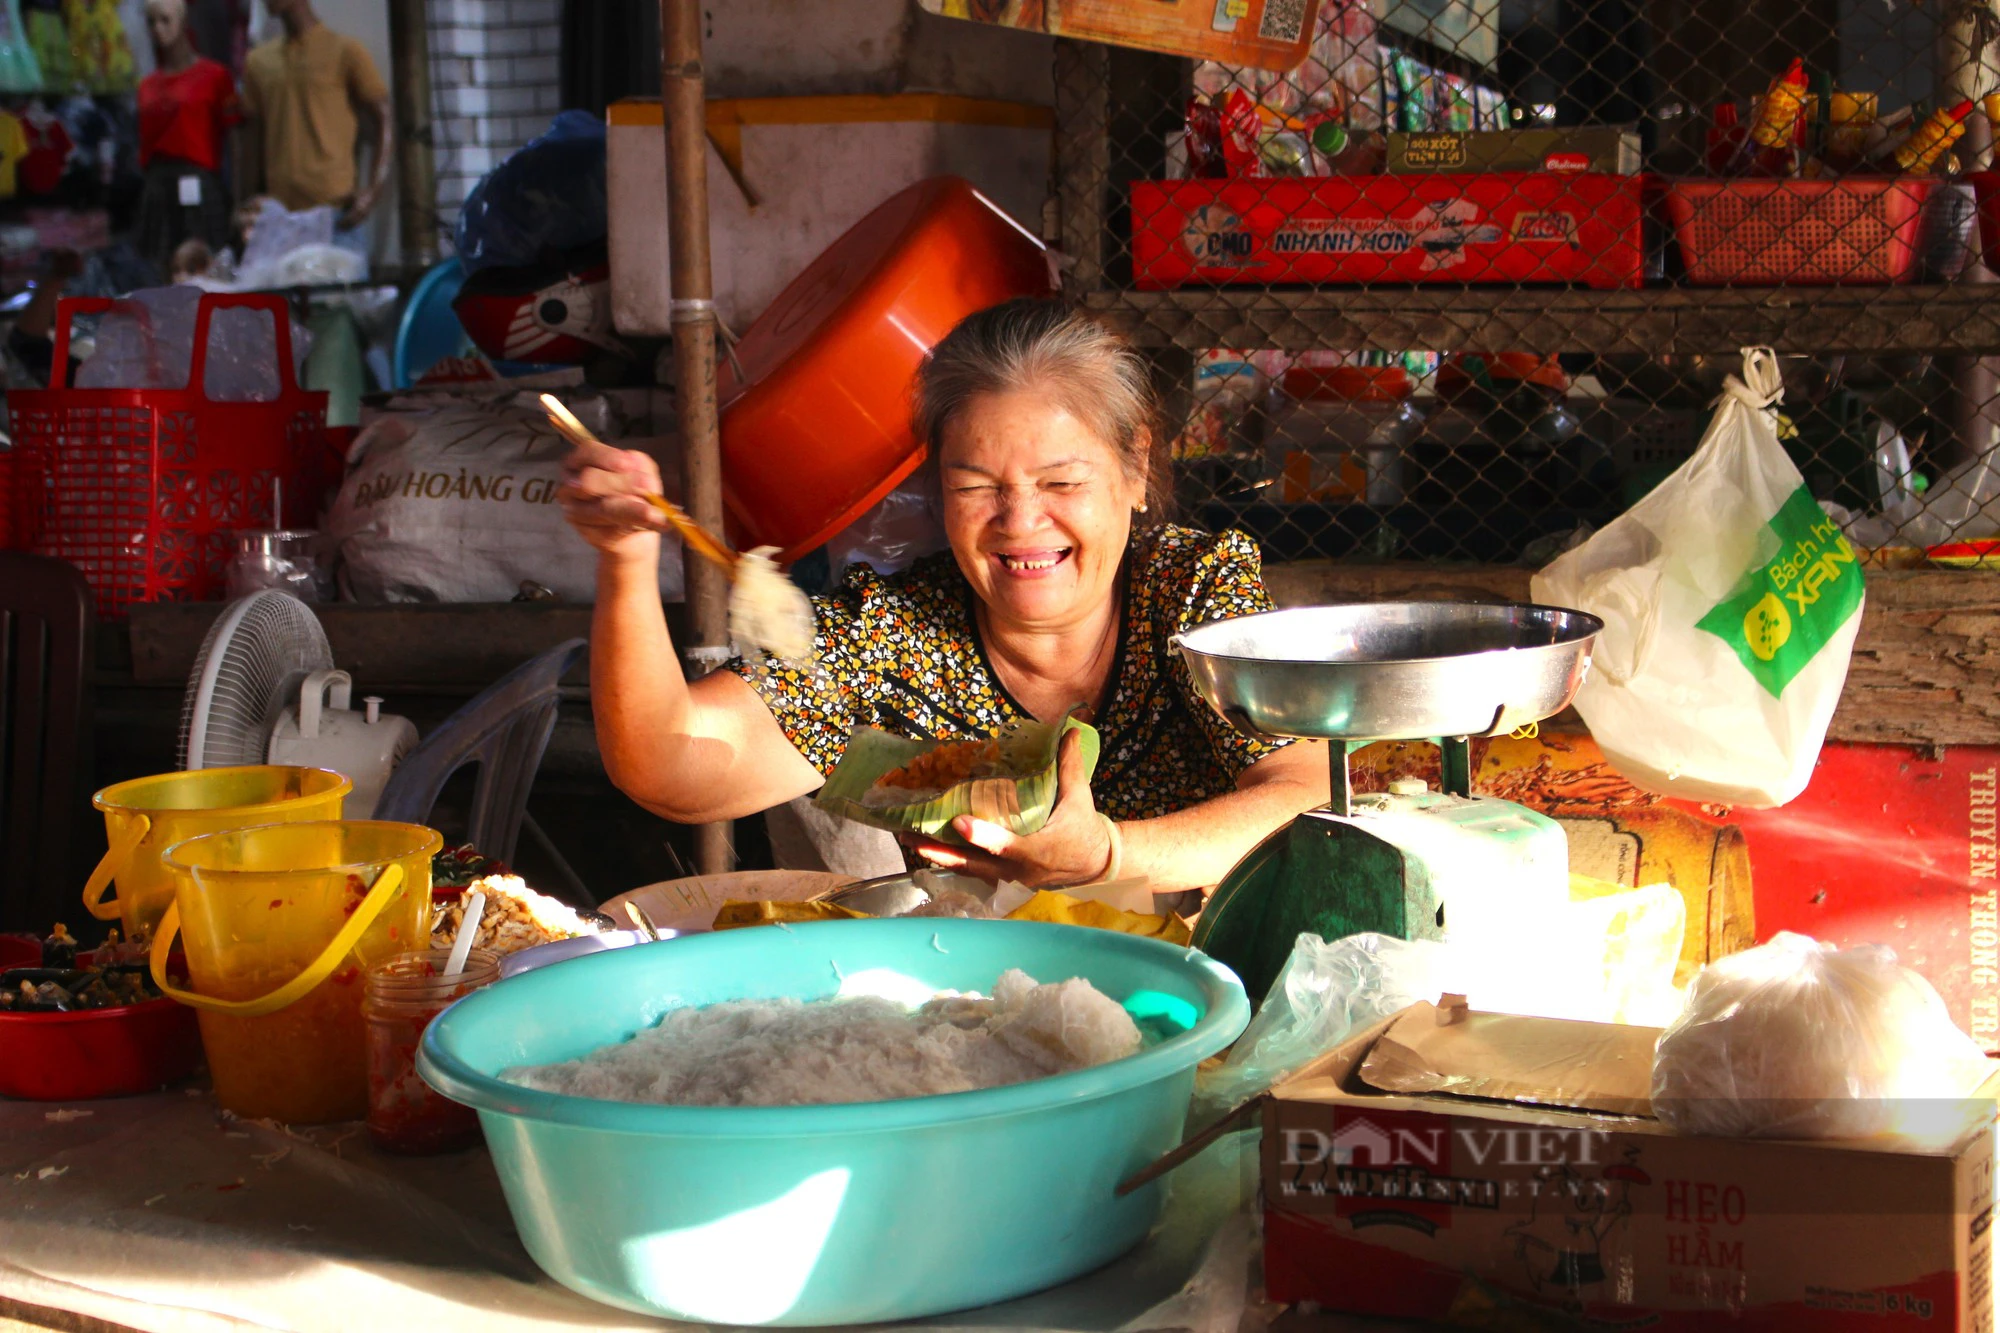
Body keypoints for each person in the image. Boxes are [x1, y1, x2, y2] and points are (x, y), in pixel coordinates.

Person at [561, 298, 1330, 891]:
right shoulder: (893, 636)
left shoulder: (1192, 594)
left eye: (1061, 482)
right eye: (976, 486)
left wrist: (1108, 854)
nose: (1021, 523)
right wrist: (626, 562)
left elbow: (1304, 795)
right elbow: (670, 765)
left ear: (1134, 470)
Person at [236, 0, 389, 234]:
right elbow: (252, 139)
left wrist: (372, 192)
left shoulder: (344, 52)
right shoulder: (258, 63)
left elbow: (384, 117)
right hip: (280, 217)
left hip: (337, 213)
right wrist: (245, 204)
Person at [135, 0, 239, 275]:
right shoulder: (146, 85)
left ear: (182, 21)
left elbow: (235, 139)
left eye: (165, 20)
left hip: (198, 181)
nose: (158, 29)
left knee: (203, 264)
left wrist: (238, 197)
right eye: (152, 22)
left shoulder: (215, 77)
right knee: (158, 269)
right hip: (157, 184)